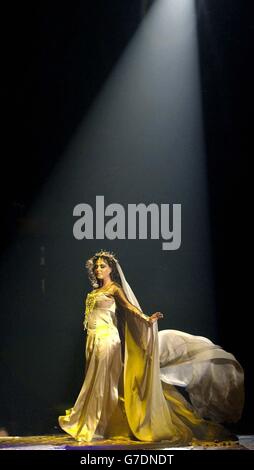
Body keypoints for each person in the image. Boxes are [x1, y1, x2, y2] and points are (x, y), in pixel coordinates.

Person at [58, 250, 244, 444]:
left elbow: (129, 308)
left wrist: (146, 318)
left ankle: (92, 425)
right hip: (93, 339)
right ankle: (102, 424)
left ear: (111, 269)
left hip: (107, 339)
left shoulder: (114, 288)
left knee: (103, 382)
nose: (98, 269)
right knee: (95, 379)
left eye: (102, 266)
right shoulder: (95, 292)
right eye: (96, 266)